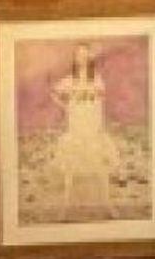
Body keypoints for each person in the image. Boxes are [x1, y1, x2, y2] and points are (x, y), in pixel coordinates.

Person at [49, 42, 118, 211]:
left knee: (100, 166)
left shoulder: (96, 79)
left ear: (89, 58)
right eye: (78, 55)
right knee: (71, 167)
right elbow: (54, 93)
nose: (81, 58)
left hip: (92, 125)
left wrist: (99, 125)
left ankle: (107, 204)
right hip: (76, 126)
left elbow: (100, 101)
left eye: (84, 54)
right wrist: (66, 107)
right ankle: (66, 206)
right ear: (75, 58)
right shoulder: (69, 80)